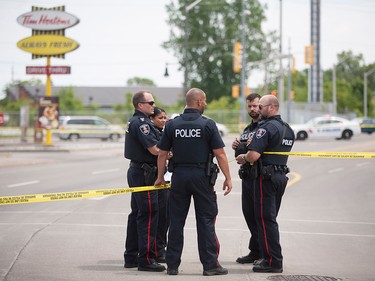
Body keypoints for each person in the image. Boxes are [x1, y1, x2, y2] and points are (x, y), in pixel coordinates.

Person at [154, 88, 232, 276]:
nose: (205, 104)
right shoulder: (207, 124)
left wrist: (159, 177)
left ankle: (172, 265)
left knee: (176, 221)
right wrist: (228, 177)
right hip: (201, 177)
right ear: (198, 102)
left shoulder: (172, 125)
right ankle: (210, 265)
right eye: (204, 101)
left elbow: (162, 153)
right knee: (205, 221)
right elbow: (220, 153)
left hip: (179, 176)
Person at [236, 94, 295, 273]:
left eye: (260, 106)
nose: (257, 110)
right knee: (268, 219)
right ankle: (266, 256)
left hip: (266, 178)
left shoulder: (266, 128)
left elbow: (253, 155)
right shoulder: (288, 129)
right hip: (280, 176)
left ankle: (272, 261)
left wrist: (243, 157)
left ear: (271, 107)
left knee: (265, 219)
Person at [123, 91, 166, 272]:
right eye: (150, 102)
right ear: (140, 105)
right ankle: (146, 259)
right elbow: (155, 150)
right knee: (148, 213)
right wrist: (169, 153)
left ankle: (131, 256)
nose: (153, 105)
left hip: (139, 171)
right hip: (144, 173)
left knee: (137, 213)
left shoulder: (143, 122)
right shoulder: (141, 124)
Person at [232, 93, 261, 264]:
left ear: (261, 106)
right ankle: (255, 251)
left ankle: (263, 252)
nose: (252, 109)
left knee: (260, 216)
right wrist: (238, 146)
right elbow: (239, 155)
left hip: (260, 177)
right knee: (249, 214)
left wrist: (245, 149)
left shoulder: (265, 127)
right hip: (247, 177)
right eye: (249, 106)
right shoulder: (247, 130)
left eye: (255, 106)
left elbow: (257, 152)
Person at [149, 107, 169, 263]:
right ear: (152, 119)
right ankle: (158, 250)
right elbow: (158, 151)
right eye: (160, 118)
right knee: (160, 216)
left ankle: (161, 246)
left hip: (168, 178)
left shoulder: (164, 132)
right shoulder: (153, 133)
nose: (164, 120)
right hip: (158, 178)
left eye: (165, 117)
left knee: (166, 216)